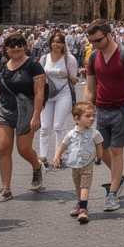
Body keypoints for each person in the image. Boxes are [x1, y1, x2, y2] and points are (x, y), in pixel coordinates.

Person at [83, 19, 124, 212]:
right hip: (102, 108)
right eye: (92, 41)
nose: (95, 44)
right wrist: (86, 111)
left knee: (117, 150)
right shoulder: (93, 57)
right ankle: (120, 178)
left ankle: (113, 192)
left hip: (122, 109)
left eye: (98, 40)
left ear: (109, 35)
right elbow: (90, 86)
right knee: (102, 150)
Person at [0, 33, 45, 202]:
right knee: (3, 148)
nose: (16, 48)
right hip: (5, 109)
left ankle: (37, 165)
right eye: (12, 46)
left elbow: (39, 93)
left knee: (23, 149)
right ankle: (5, 189)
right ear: (6, 49)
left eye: (19, 45)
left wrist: (36, 116)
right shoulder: (3, 64)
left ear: (25, 46)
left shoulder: (34, 65)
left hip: (26, 111)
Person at [53, 102, 104, 224]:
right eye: (88, 116)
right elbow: (63, 145)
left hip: (87, 164)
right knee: (77, 186)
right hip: (74, 164)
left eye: (93, 116)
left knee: (84, 186)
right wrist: (57, 156)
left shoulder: (94, 133)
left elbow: (99, 146)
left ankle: (83, 210)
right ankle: (80, 202)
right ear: (77, 119)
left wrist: (99, 157)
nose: (92, 119)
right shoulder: (71, 134)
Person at [39, 32, 79, 167]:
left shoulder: (69, 59)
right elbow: (39, 76)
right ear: (50, 43)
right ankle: (43, 157)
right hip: (47, 94)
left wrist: (63, 79)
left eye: (59, 42)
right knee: (44, 127)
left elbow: (74, 78)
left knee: (58, 126)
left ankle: (58, 156)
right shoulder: (45, 58)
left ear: (63, 44)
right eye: (54, 42)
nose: (56, 45)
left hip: (63, 93)